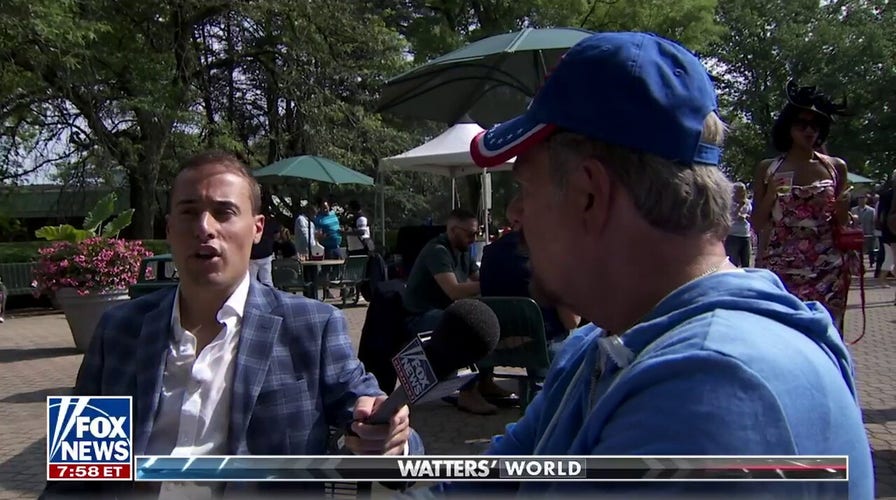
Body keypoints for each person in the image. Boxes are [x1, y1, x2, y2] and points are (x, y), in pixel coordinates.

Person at [434, 32, 871, 498]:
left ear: (589, 195)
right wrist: (398, 464)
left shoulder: (708, 389)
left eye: (524, 189)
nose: (515, 215)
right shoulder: (603, 341)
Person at [42, 151, 422, 499]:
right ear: (171, 227)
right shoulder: (118, 329)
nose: (204, 227)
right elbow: (74, 474)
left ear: (257, 229)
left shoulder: (312, 327)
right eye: (189, 212)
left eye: (224, 212)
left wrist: (390, 438)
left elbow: (388, 434)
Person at [752, 81, 856, 334]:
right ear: (788, 127)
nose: (809, 130)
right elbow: (757, 223)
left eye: (815, 125)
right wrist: (771, 195)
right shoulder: (768, 168)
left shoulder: (835, 167)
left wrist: (843, 209)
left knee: (827, 334)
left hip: (828, 267)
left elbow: (843, 222)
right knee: (785, 334)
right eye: (802, 124)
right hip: (782, 267)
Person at [402, 208, 506, 415]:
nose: (473, 238)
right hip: (420, 316)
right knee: (466, 328)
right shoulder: (437, 251)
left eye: (476, 233)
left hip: (444, 312)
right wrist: (491, 282)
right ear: (453, 230)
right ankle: (468, 393)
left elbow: (475, 280)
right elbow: (454, 291)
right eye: (470, 234)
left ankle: (485, 380)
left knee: (485, 319)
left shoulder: (463, 250)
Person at [479, 198, 580, 366]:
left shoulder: (489, 253)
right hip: (543, 347)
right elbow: (571, 321)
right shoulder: (550, 254)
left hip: (499, 345)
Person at [724, 182, 753, 267]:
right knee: (732, 263)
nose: (742, 194)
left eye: (743, 191)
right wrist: (739, 207)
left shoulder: (748, 203)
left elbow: (752, 215)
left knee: (746, 263)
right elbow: (730, 216)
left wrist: (747, 217)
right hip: (733, 235)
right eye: (739, 191)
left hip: (745, 235)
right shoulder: (729, 203)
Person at [248, 212, 279, 286]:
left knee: (251, 280)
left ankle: (251, 295)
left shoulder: (251, 221)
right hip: (266, 252)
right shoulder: (271, 222)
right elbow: (277, 235)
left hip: (253, 253)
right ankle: (269, 296)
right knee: (266, 279)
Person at [850, 193, 877, 268]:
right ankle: (860, 264)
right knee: (858, 250)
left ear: (866, 200)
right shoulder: (853, 210)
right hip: (857, 232)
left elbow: (873, 222)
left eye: (863, 199)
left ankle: (871, 263)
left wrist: (873, 232)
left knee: (870, 249)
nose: (861, 200)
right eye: (859, 199)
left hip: (868, 232)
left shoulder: (871, 210)